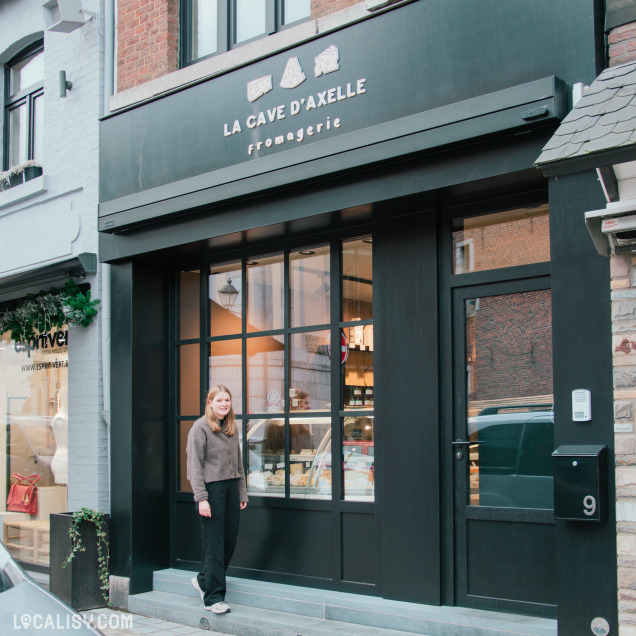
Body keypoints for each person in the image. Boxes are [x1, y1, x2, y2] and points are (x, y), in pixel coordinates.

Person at [186, 385, 248, 613]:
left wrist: (242, 492)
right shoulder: (200, 427)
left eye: (227, 401)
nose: (224, 404)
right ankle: (213, 598)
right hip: (211, 491)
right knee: (215, 545)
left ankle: (204, 579)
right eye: (220, 400)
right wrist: (201, 498)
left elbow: (239, 464)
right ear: (210, 402)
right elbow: (194, 466)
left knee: (229, 542)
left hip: (232, 489)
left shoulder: (231, 427)